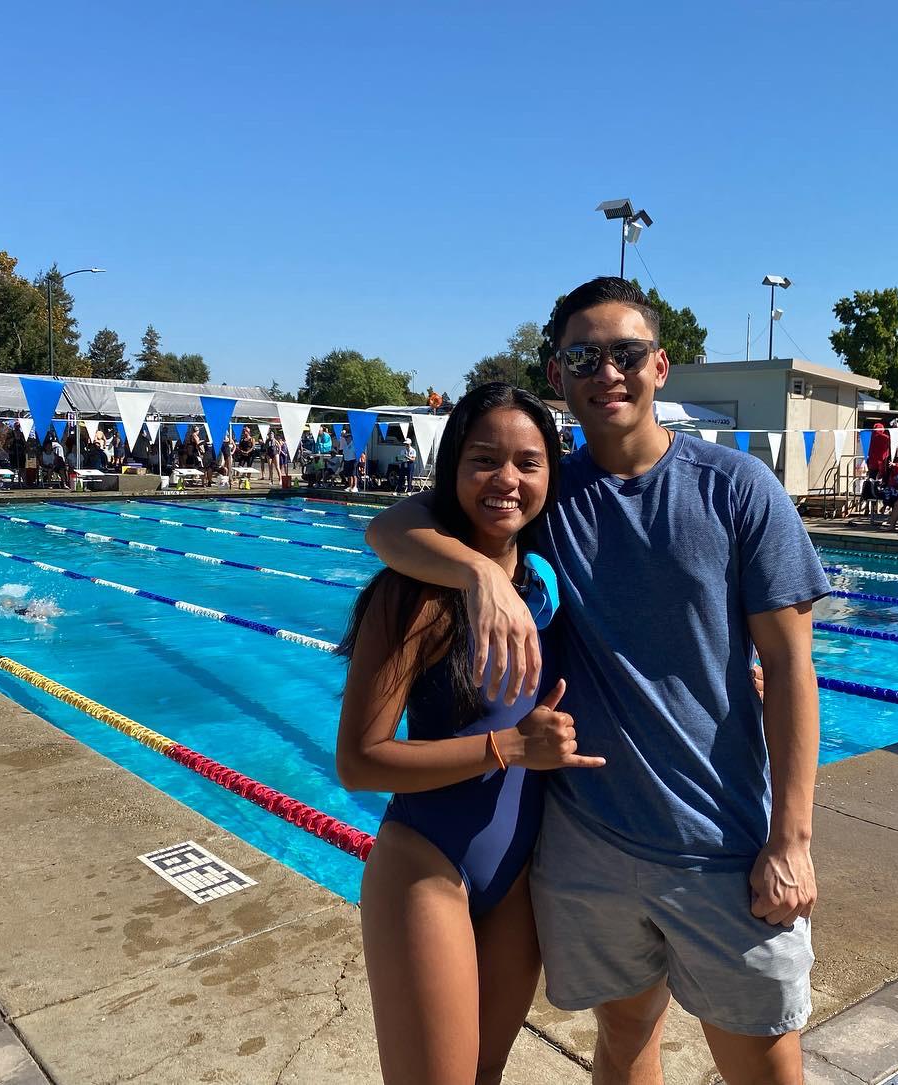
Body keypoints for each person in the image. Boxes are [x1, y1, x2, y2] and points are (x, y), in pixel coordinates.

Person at [369, 277, 828, 1083]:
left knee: (765, 1066)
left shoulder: (735, 488)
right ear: (558, 375)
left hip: (719, 845)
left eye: (624, 353)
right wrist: (479, 572)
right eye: (584, 355)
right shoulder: (546, 489)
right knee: (621, 1043)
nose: (605, 371)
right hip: (588, 849)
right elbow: (391, 524)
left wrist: (790, 841)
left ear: (660, 365)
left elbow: (791, 668)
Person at [336, 383, 598, 1085]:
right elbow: (360, 761)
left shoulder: (550, 586)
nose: (506, 479)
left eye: (527, 462)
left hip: (515, 881)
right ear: (452, 467)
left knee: (486, 1074)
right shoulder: (412, 593)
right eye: (484, 459)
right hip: (427, 866)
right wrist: (509, 748)